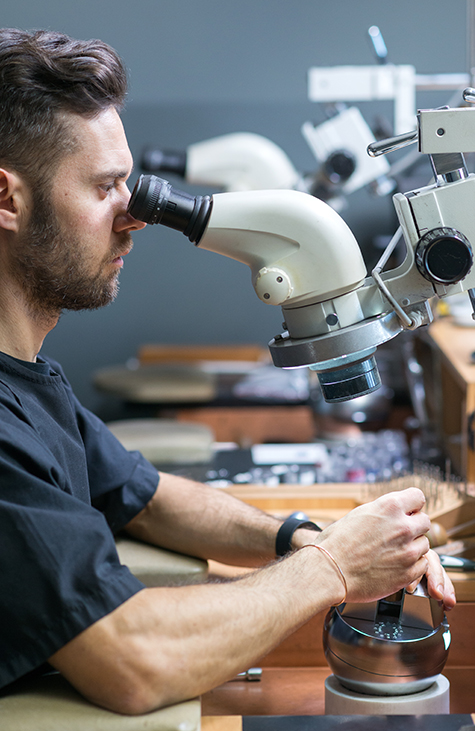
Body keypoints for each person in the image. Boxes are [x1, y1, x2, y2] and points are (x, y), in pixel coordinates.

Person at [0, 27, 455, 716]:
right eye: (104, 188)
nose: (135, 217)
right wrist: (330, 569)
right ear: (7, 200)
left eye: (130, 184)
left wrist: (307, 536)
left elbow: (147, 496)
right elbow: (131, 659)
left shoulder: (32, 380)